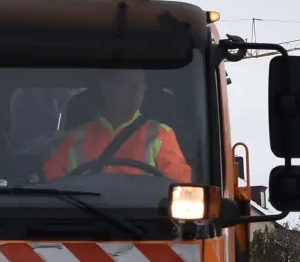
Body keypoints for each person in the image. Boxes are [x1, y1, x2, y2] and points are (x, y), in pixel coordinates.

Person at [42, 68, 192, 182]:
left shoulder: (160, 134)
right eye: (127, 83)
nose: (136, 90)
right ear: (106, 86)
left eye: (140, 83)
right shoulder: (75, 139)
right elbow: (53, 190)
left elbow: (180, 189)